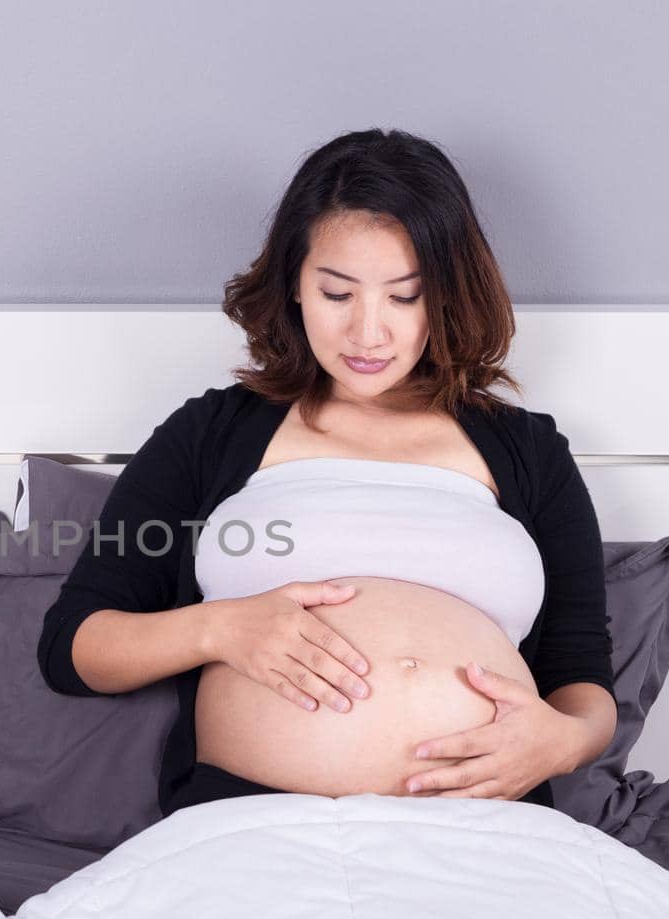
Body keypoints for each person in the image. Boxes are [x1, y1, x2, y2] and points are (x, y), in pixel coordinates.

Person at [37, 128, 619, 819]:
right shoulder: (212, 434)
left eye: (405, 297)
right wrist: (218, 629)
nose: (368, 333)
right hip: (252, 825)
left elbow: (582, 678)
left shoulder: (529, 452)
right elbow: (73, 644)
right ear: (294, 285)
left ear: (447, 295)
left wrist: (563, 742)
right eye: (338, 293)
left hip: (485, 827)